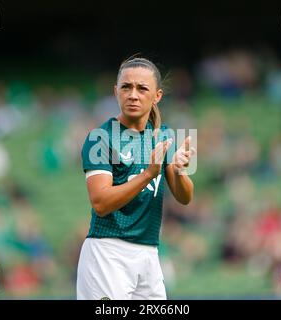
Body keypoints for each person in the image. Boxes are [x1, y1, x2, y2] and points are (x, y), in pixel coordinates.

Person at [76, 57, 196, 300]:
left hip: (149, 254)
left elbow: (185, 198)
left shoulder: (167, 135)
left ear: (157, 95)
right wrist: (148, 175)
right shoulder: (100, 137)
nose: (133, 95)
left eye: (142, 88)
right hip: (108, 254)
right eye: (126, 87)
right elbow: (100, 203)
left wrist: (180, 171)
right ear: (115, 92)